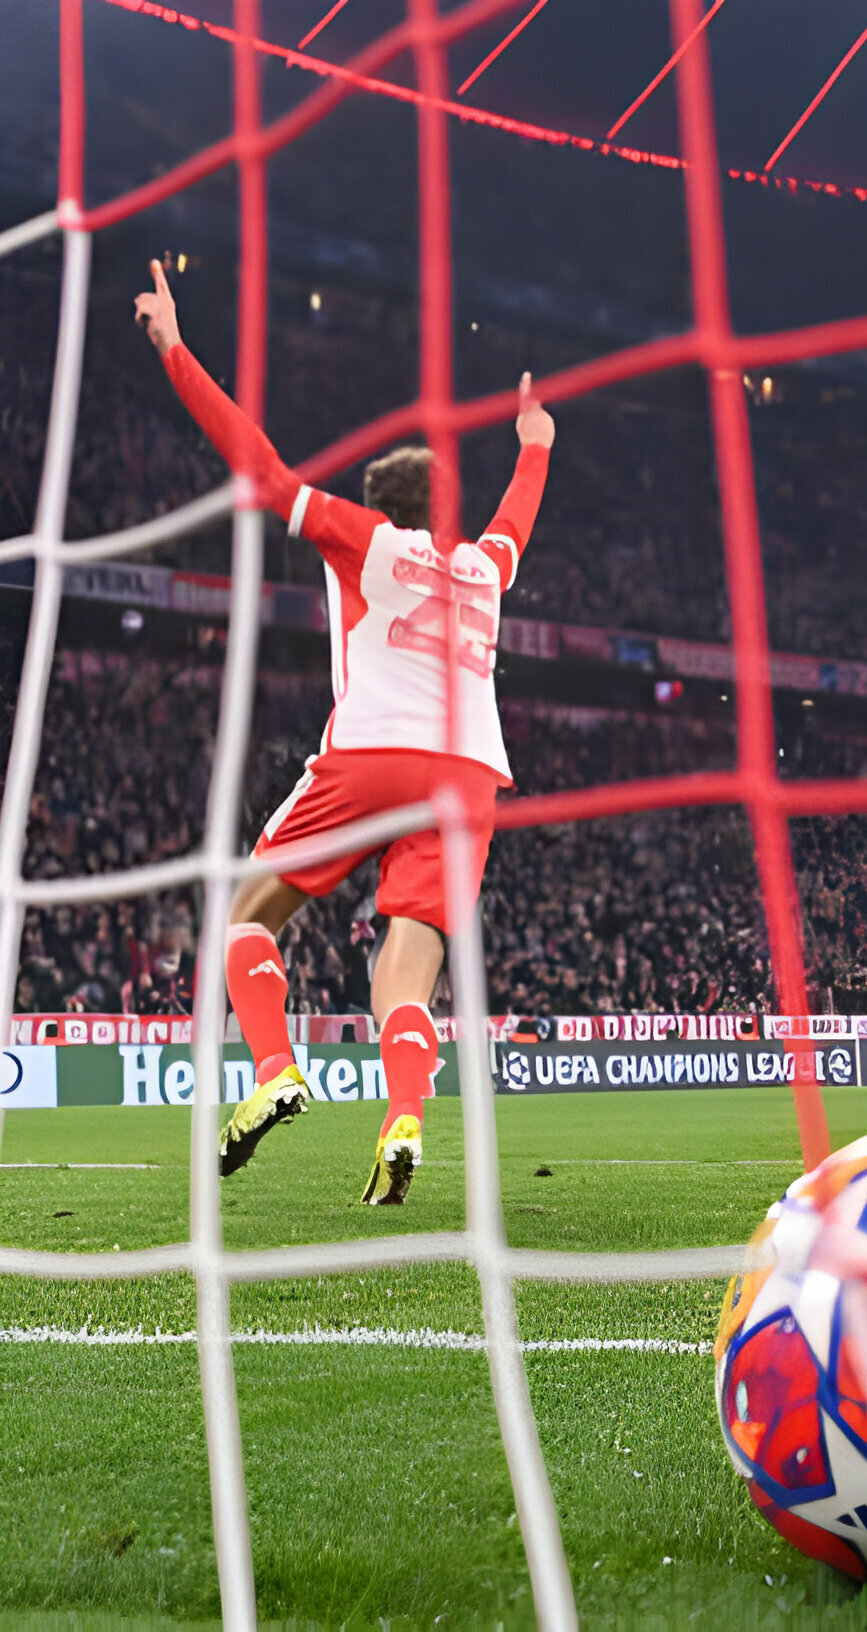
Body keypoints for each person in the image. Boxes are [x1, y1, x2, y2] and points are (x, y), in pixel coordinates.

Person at [135, 260, 554, 1202]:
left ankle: (277, 1069)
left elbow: (260, 466)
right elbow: (516, 517)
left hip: (374, 751)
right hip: (473, 777)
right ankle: (403, 1118)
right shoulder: (484, 567)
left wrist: (173, 348)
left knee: (244, 917)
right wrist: (535, 443)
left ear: (382, 503)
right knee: (407, 982)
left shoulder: (362, 537)